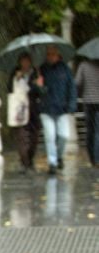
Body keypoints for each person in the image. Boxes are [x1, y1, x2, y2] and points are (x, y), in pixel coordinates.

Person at [37, 45, 77, 175]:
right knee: (50, 136)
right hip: (47, 109)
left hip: (62, 109)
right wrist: (39, 87)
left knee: (63, 136)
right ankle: (52, 163)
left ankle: (59, 156)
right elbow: (37, 91)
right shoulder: (41, 70)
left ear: (58, 55)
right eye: (48, 54)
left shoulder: (65, 69)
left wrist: (71, 104)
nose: (51, 56)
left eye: (53, 54)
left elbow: (72, 88)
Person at [7, 52, 42, 172]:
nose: (25, 64)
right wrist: (16, 79)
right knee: (21, 137)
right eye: (23, 61)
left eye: (27, 61)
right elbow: (9, 90)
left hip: (33, 109)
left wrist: (36, 85)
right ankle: (25, 162)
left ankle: (30, 160)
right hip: (19, 109)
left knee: (34, 137)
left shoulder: (36, 73)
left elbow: (40, 91)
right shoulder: (15, 72)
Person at [75, 58, 99, 168]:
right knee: (98, 131)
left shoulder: (84, 65)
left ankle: (92, 157)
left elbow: (78, 82)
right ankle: (97, 158)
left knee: (90, 130)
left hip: (88, 102)